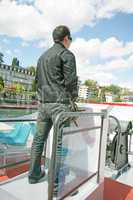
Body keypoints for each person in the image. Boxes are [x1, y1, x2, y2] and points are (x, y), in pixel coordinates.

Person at [28, 25, 78, 187]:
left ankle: (34, 175)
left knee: (38, 141)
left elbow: (37, 81)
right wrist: (73, 99)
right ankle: (56, 185)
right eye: (70, 39)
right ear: (65, 38)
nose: (70, 42)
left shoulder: (42, 57)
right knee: (59, 144)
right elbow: (71, 82)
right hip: (59, 106)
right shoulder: (67, 54)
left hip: (43, 104)